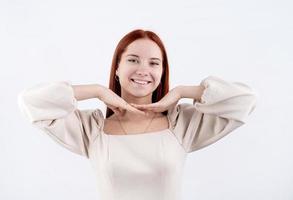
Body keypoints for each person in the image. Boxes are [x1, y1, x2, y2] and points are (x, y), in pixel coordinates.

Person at [18, 29, 257, 200]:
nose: (143, 70)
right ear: (117, 69)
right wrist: (97, 91)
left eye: (154, 63)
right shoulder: (91, 129)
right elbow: (32, 101)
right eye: (133, 60)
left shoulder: (182, 124)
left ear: (162, 73)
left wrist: (182, 91)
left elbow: (245, 101)